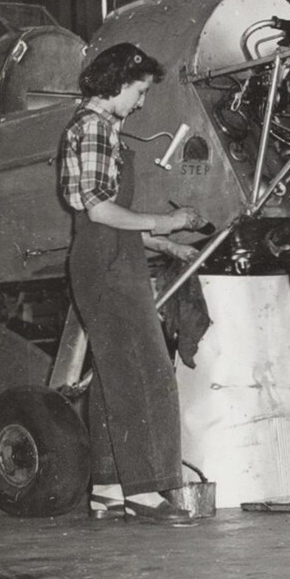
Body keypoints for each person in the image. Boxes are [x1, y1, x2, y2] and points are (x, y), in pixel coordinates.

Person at [58, 42, 207, 521]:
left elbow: (101, 220)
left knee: (113, 375)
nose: (142, 102)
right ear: (118, 84)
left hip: (106, 259)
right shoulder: (96, 128)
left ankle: (107, 487)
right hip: (107, 266)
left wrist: (166, 244)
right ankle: (146, 491)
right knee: (147, 373)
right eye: (139, 91)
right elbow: (101, 211)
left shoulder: (94, 127)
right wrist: (166, 223)